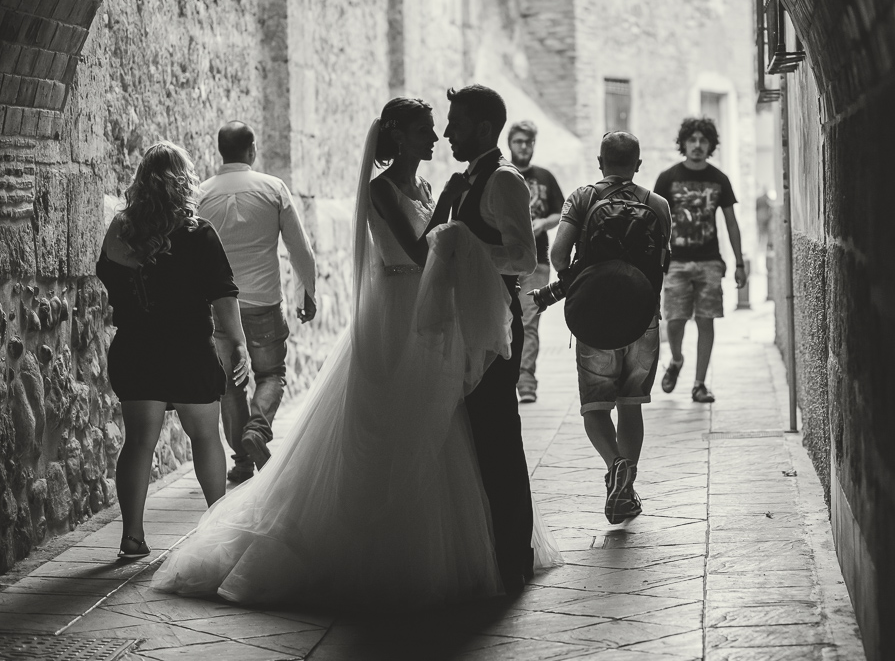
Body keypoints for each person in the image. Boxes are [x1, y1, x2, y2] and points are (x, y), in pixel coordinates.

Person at [152, 99, 560, 608]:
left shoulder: (428, 186)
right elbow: (420, 250)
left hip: (431, 310)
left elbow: (445, 244)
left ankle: (473, 542)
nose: (436, 138)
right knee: (392, 420)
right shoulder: (381, 189)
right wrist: (449, 209)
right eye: (426, 130)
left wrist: (448, 212)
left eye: (439, 128)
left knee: (441, 421)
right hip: (396, 312)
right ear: (400, 136)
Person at [96, 142, 249, 560]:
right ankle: (216, 527)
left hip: (136, 348)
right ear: (183, 180)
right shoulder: (199, 233)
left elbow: (108, 275)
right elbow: (223, 293)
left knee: (138, 442)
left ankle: (132, 537)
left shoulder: (120, 231)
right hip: (188, 350)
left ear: (141, 181)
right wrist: (238, 344)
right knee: (205, 437)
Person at [423, 84, 538, 593]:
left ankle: (514, 556)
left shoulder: (504, 180)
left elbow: (525, 258)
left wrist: (465, 253)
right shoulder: (467, 180)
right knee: (477, 437)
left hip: (496, 327)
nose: (448, 132)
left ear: (485, 128)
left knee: (499, 437)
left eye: (457, 122)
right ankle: (492, 548)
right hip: (468, 322)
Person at [551, 132, 671, 523]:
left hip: (595, 314)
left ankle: (615, 465)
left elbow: (557, 255)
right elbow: (662, 262)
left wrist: (579, 275)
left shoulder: (582, 198)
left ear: (600, 162)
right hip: (642, 316)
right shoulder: (658, 204)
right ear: (638, 164)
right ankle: (626, 489)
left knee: (596, 405)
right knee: (630, 405)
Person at [196, 121, 318, 483]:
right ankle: (258, 429)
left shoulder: (200, 195)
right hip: (264, 303)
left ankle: (242, 461)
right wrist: (306, 294)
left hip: (220, 308)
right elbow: (300, 250)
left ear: (221, 151)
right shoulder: (273, 188)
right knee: (271, 375)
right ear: (252, 150)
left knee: (230, 385)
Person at [653, 116, 747, 403]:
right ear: (683, 143)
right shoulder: (668, 178)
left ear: (710, 145)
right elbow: (655, 223)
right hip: (676, 262)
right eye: (691, 140)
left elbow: (731, 223)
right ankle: (677, 360)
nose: (697, 145)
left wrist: (739, 263)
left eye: (702, 140)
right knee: (675, 320)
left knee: (706, 321)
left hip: (709, 262)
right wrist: (654, 262)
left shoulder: (719, 179)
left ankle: (699, 384)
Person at [507, 120, 564, 404]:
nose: (524, 147)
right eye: (518, 141)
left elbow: (561, 212)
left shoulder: (545, 177)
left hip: (537, 261)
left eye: (528, 142)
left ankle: (526, 382)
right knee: (504, 321)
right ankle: (505, 379)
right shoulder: (502, 175)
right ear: (510, 144)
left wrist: (543, 223)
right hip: (504, 261)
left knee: (529, 322)